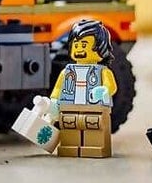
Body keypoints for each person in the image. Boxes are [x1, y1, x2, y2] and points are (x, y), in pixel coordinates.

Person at [50, 19, 117, 159]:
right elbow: (58, 88)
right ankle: (69, 148)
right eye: (76, 44)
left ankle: (95, 147)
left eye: (84, 45)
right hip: (69, 107)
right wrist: (54, 101)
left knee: (94, 126)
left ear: (101, 48)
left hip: (94, 108)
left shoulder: (103, 71)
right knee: (69, 125)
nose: (79, 49)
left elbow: (111, 86)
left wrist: (104, 91)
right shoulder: (67, 72)